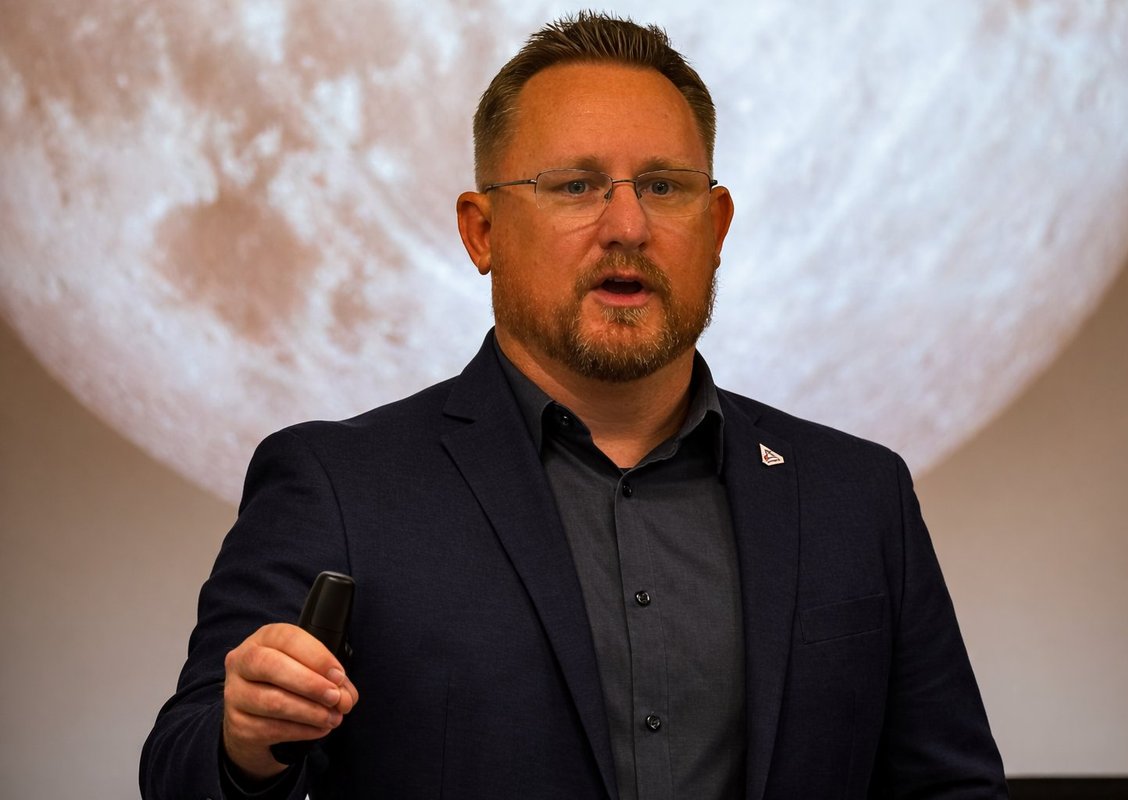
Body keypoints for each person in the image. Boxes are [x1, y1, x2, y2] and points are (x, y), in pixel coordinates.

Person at [141, 11, 1007, 800]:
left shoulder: (858, 495)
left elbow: (951, 791)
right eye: (576, 186)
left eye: (664, 186)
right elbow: (182, 768)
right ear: (481, 232)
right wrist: (244, 741)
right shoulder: (339, 485)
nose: (628, 225)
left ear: (718, 226)